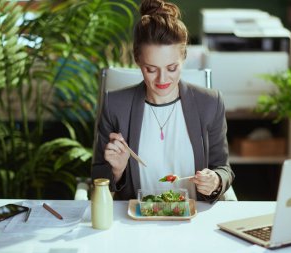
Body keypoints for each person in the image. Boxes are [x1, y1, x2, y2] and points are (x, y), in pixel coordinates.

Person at [92, 0, 234, 201]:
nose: (162, 79)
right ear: (138, 60)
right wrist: (117, 170)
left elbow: (223, 168)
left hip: (193, 220)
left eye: (171, 68)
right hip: (135, 222)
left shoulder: (210, 103)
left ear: (184, 57)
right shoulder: (115, 105)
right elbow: (97, 176)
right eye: (151, 69)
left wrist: (216, 180)